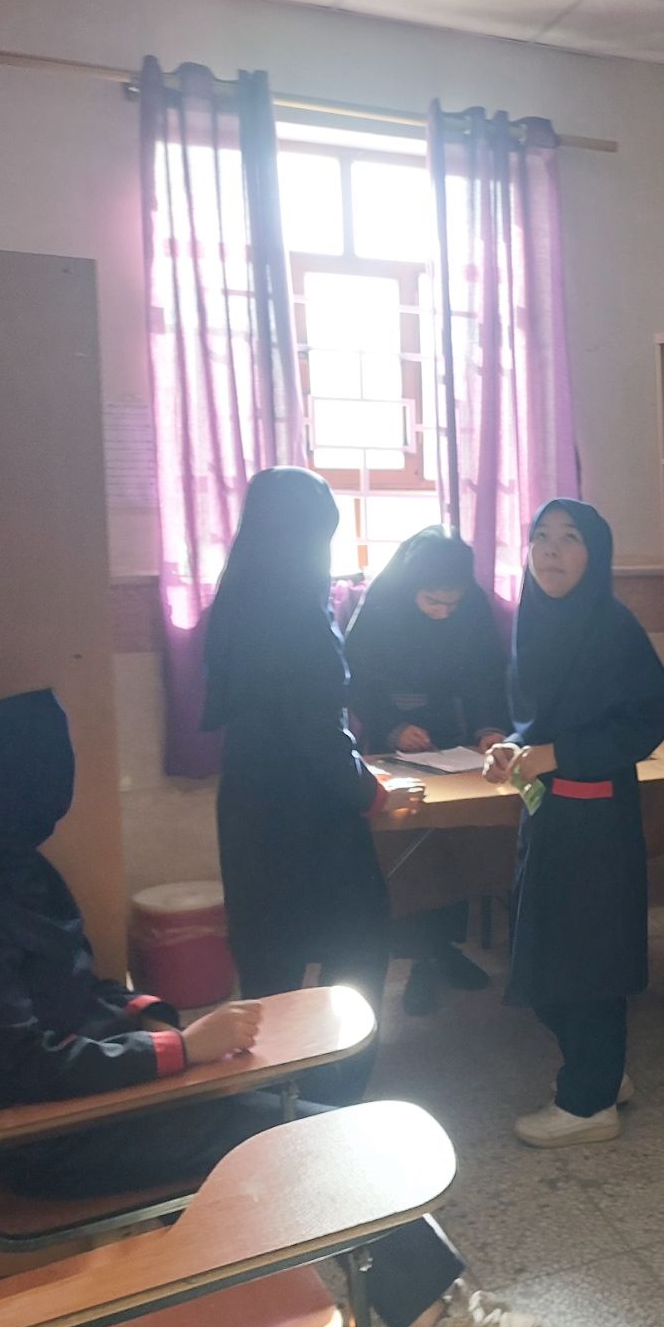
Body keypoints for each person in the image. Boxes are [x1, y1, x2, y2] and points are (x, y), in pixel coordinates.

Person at [0, 689, 546, 1327]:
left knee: (309, 1120)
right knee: (310, 1144)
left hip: (95, 1095)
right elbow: (18, 1067)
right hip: (54, 1136)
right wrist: (178, 1053)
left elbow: (71, 989)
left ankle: (433, 1302)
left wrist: (152, 1019)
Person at [204, 467, 420, 1104]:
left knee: (269, 963)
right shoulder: (297, 615)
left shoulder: (238, 595)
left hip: (249, 805)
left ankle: (271, 1103)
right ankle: (335, 1099)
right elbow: (318, 733)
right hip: (309, 816)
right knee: (359, 951)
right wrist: (374, 792)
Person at [484, 500, 664, 1147]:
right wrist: (514, 748)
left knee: (586, 957)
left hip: (595, 815)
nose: (551, 550)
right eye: (541, 536)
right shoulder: (535, 619)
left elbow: (646, 719)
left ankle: (589, 1103)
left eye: (569, 539)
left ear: (595, 554)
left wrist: (556, 754)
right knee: (543, 951)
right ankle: (602, 1072)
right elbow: (538, 720)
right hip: (547, 810)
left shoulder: (611, 626)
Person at [345, 527, 510, 1009]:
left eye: (452, 604)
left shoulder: (472, 607)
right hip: (393, 739)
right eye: (432, 601)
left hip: (456, 738)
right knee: (409, 842)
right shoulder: (382, 604)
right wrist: (393, 727)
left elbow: (488, 673)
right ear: (411, 588)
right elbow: (356, 678)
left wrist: (489, 730)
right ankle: (418, 957)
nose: (443, 612)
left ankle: (444, 948)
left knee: (455, 839)